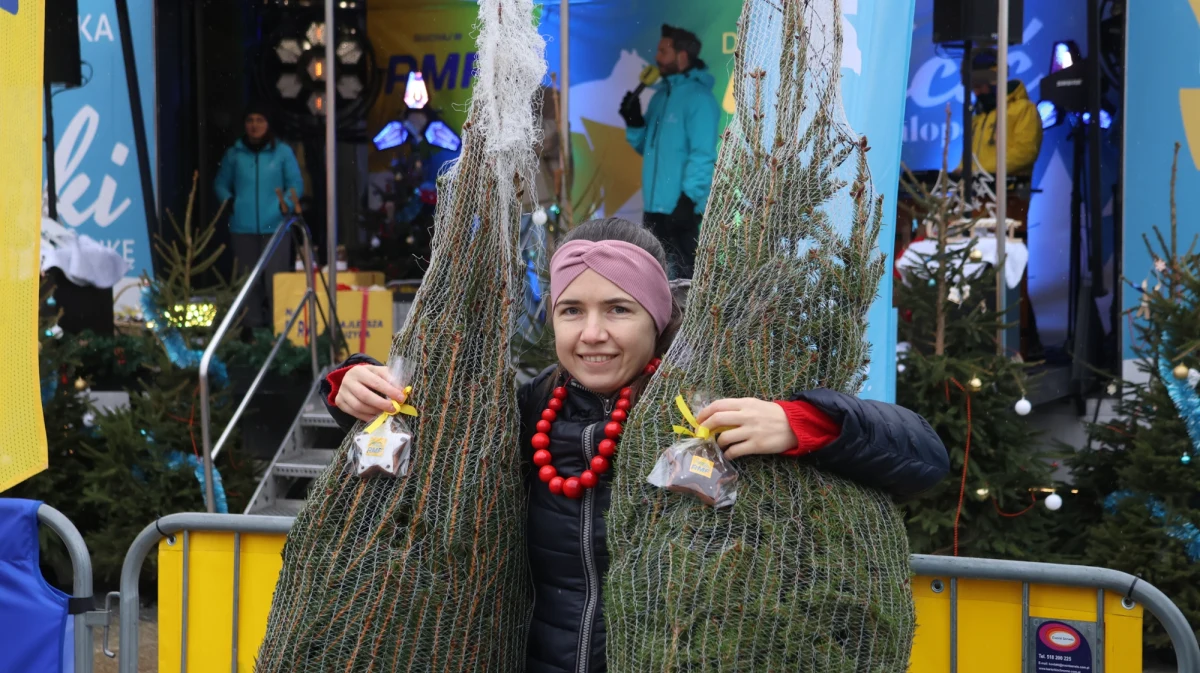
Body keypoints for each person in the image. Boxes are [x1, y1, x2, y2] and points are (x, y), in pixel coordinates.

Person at [321, 218, 949, 673]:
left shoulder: (713, 404)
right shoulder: (523, 409)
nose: (592, 334)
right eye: (572, 311)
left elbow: (923, 458)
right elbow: (415, 432)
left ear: (658, 317)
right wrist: (350, 384)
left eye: (618, 309)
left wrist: (806, 424)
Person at [619, 25, 720, 279]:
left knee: (686, 285)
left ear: (682, 56)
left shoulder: (700, 99)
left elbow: (703, 155)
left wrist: (688, 201)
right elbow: (646, 148)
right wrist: (634, 122)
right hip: (654, 209)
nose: (657, 57)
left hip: (682, 211)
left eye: (664, 51)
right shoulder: (659, 97)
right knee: (656, 281)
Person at [214, 104, 305, 329]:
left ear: (268, 124)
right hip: (243, 228)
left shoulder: (282, 152)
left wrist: (285, 204)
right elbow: (220, 183)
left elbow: (296, 183)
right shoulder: (234, 153)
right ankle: (252, 330)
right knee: (248, 282)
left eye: (260, 120)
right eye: (250, 120)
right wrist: (231, 202)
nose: (254, 125)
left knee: (276, 281)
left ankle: (280, 330)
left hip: (275, 228)